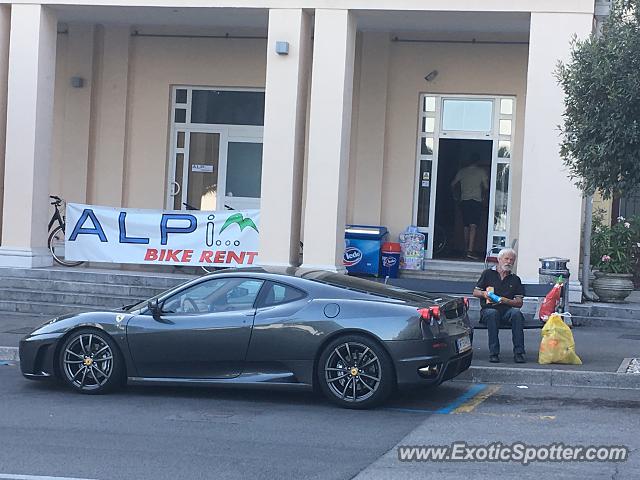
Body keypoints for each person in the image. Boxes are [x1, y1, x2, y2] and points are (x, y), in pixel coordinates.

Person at [472, 248, 526, 363]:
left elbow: (519, 303)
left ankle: (519, 353)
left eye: (512, 260)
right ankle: (494, 353)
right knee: (492, 313)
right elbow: (475, 292)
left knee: (516, 314)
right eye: (506, 259)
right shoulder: (488, 274)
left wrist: (506, 301)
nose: (508, 262)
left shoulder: (515, 279)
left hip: (506, 311)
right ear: (499, 259)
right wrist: (484, 294)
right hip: (489, 310)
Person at [450, 154, 489, 259]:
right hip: (476, 201)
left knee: (466, 226)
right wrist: (485, 198)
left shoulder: (462, 171)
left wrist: (456, 196)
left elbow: (453, 184)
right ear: (477, 162)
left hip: (464, 200)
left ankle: (465, 249)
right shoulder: (481, 172)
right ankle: (470, 251)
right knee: (473, 226)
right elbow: (486, 187)